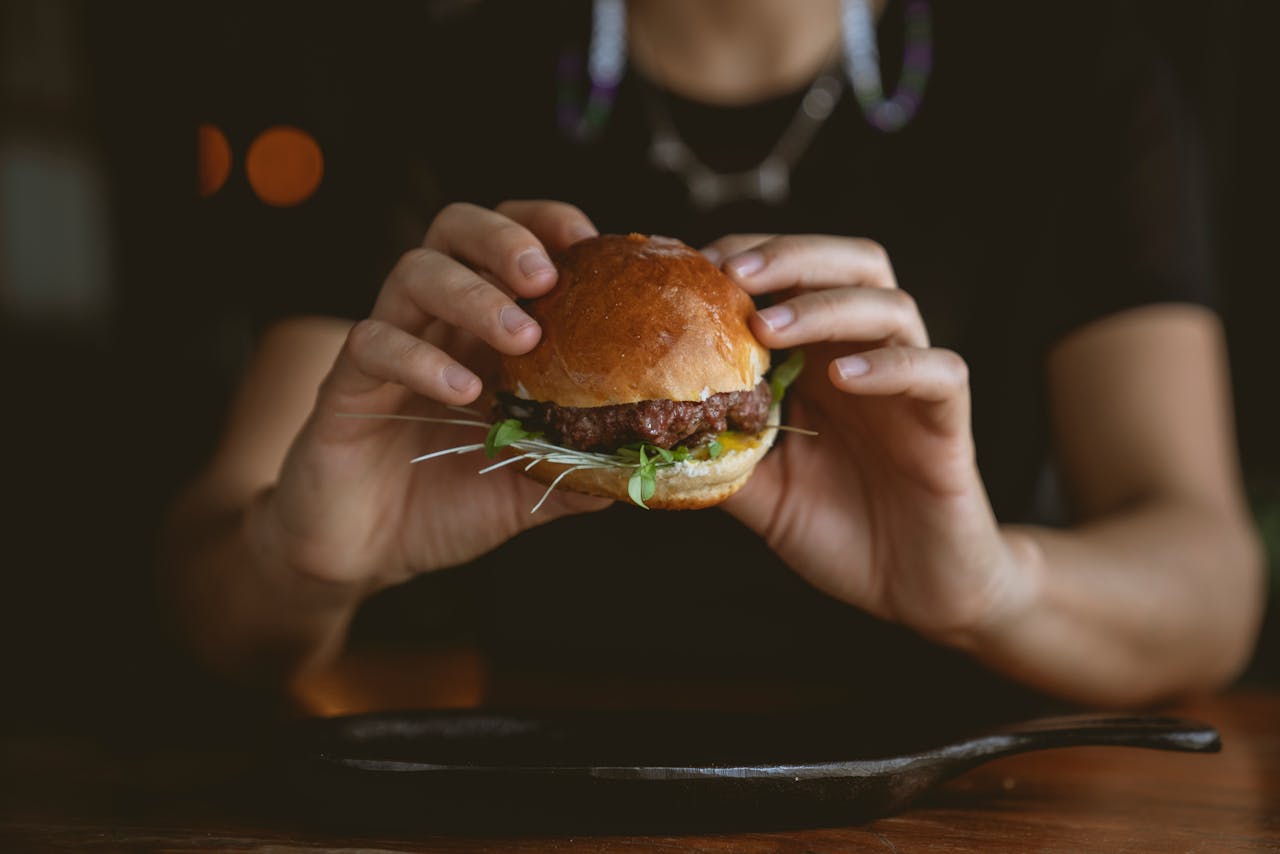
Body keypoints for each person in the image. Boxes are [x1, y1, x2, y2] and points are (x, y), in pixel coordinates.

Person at [162, 0, 1263, 710]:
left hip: (960, 797)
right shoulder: (415, 87)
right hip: (514, 786)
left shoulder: (1074, 83)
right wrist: (298, 563)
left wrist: (990, 588)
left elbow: (1209, 585)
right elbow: (206, 597)